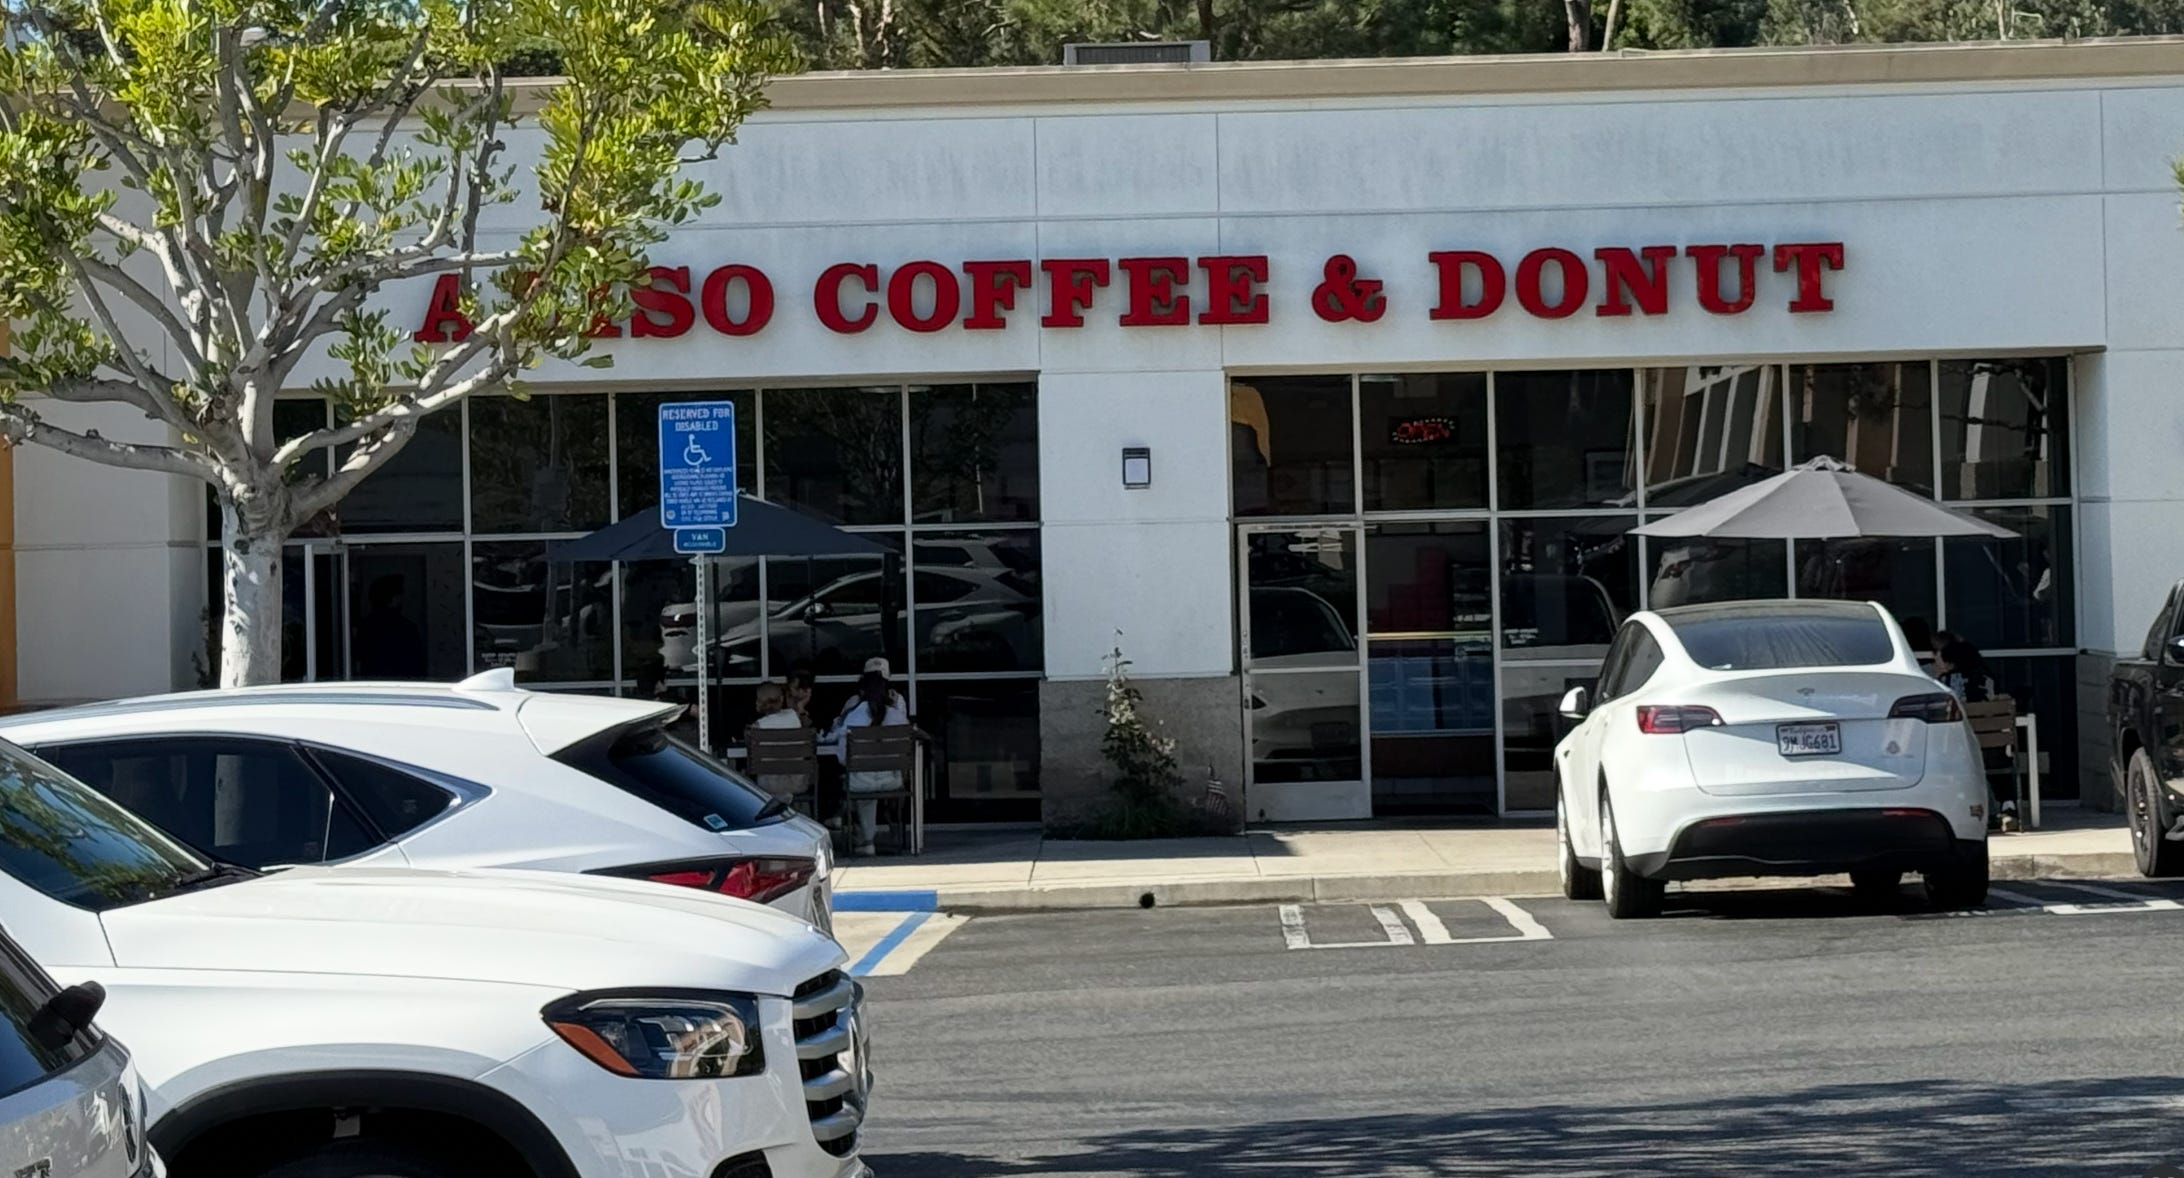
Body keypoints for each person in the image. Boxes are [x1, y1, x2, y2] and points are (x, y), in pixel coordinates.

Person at [1934, 630, 2015, 831]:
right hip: (1992, 750)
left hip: (1958, 753)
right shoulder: (1988, 677)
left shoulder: (1944, 684)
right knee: (1998, 762)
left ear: (1952, 662)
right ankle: (2008, 806)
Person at [823, 670, 909, 856]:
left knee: (859, 788)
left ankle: (866, 839)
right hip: (892, 781)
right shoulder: (897, 717)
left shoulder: (853, 717)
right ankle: (869, 837)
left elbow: (843, 757)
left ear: (861, 692)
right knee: (866, 786)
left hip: (860, 782)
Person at [749, 682, 806, 802]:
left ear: (760, 702)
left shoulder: (758, 726)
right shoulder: (794, 717)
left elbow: (753, 757)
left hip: (769, 784)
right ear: (781, 699)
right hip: (798, 782)